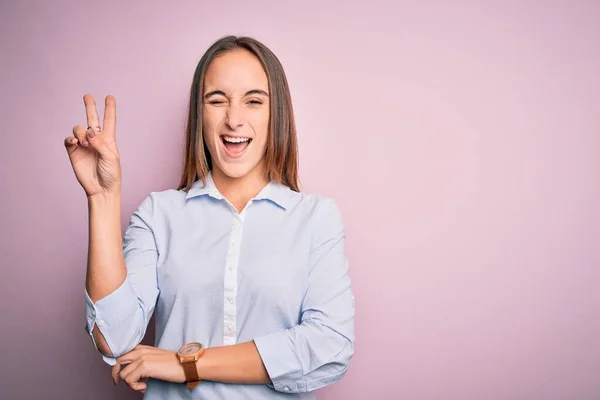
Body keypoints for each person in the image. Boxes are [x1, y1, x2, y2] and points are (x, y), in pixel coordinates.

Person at [64, 35, 355, 399]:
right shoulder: (159, 213)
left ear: (275, 113)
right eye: (217, 100)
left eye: (253, 101)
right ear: (200, 114)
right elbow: (113, 339)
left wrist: (186, 363)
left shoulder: (316, 218)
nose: (234, 119)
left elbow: (330, 346)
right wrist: (103, 198)